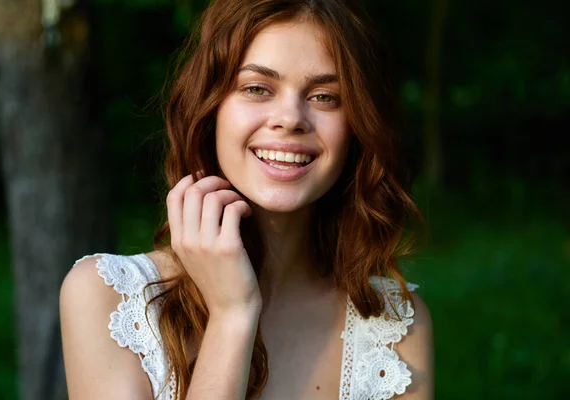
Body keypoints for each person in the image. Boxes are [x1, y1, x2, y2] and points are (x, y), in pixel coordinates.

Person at [60, 0, 434, 399]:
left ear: (357, 126)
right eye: (257, 89)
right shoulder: (107, 300)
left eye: (325, 96)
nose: (290, 118)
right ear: (209, 110)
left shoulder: (395, 325)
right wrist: (232, 316)